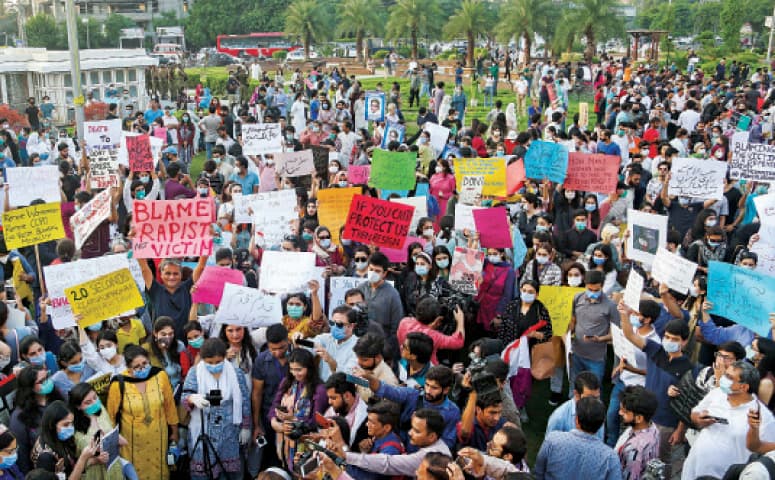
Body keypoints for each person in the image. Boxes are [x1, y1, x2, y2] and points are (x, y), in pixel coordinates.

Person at [683, 361, 775, 479]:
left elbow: (766, 452)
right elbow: (695, 412)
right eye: (725, 374)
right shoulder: (717, 393)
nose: (723, 378)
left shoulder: (763, 418)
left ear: (744, 387)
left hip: (723, 475)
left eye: (729, 377)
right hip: (694, 467)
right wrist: (698, 419)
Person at [106, 345, 179, 480]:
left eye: (145, 363)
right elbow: (110, 416)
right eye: (137, 366)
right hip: (132, 443)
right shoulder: (119, 383)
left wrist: (174, 434)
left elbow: (170, 407)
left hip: (159, 440)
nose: (142, 368)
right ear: (128, 368)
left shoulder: (159, 376)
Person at [182, 338, 250, 480]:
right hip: (203, 430)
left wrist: (246, 426)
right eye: (210, 363)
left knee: (228, 473)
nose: (214, 365)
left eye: (218, 362)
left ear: (224, 357)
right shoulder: (194, 373)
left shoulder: (236, 373)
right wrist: (192, 399)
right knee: (203, 469)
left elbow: (244, 400)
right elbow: (185, 396)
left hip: (229, 431)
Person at [357, 365, 460, 451]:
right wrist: (369, 378)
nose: (428, 391)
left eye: (434, 388)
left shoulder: (452, 412)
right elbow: (387, 390)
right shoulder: (412, 395)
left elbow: (447, 444)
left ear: (446, 390)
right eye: (427, 385)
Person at [330, 408, 451, 477]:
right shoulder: (376, 441)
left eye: (416, 431)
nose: (409, 433)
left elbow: (388, 463)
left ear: (432, 437)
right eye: (411, 428)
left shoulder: (429, 457)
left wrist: (345, 455)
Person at [534, 397, 622, 480]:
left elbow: (538, 471)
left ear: (576, 419)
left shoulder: (553, 440)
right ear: (602, 423)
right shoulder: (610, 458)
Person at [268, 348, 327, 470]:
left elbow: (316, 421)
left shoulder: (319, 390)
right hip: (284, 439)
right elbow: (274, 405)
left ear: (309, 368)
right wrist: (275, 423)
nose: (295, 373)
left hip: (305, 442)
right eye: (292, 369)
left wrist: (293, 418)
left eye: (299, 370)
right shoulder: (287, 383)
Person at [68, 382, 131, 480]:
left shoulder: (101, 410)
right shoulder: (75, 430)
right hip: (95, 474)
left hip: (113, 468)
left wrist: (115, 438)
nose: (94, 403)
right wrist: (95, 460)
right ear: (78, 406)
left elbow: (111, 430)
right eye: (88, 402)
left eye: (95, 397)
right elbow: (76, 464)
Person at [30, 400, 105, 480]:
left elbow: (71, 466)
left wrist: (94, 460)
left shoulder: (60, 438)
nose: (70, 428)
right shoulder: (45, 457)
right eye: (66, 424)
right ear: (52, 425)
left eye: (72, 423)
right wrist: (83, 458)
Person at [568, 270, 618, 387]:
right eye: (590, 289)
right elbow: (573, 320)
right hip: (576, 353)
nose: (593, 293)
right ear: (585, 285)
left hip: (596, 358)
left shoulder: (610, 305)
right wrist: (569, 335)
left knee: (593, 390)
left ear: (602, 286)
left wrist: (600, 339)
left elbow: (616, 333)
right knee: (574, 386)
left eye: (596, 290)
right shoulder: (577, 298)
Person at [9, 366, 63, 474]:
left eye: (47, 377)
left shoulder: (57, 397)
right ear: (29, 387)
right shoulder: (19, 418)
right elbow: (22, 456)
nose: (47, 382)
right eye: (41, 381)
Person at [396, 296, 465, 366]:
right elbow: (458, 342)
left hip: (404, 362)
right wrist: (460, 320)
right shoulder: (432, 336)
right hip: (427, 370)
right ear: (437, 320)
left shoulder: (404, 322)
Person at [614, 385, 660, 480]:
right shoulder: (653, 428)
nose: (620, 413)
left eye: (625, 411)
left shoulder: (634, 449)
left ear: (639, 418)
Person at [546, 371, 604, 440]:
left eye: (597, 397)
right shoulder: (559, 417)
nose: (594, 402)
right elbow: (550, 444)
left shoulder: (599, 409)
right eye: (589, 398)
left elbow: (600, 439)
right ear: (576, 394)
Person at [307, 305, 359, 381]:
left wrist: (331, 361)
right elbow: (308, 347)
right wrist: (299, 340)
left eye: (339, 324)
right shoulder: (326, 338)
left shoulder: (358, 346)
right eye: (332, 323)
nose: (334, 327)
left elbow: (349, 377)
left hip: (342, 389)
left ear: (352, 326)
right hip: (321, 387)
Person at [323, 372, 369, 449]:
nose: (329, 402)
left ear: (347, 396)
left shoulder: (365, 420)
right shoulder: (335, 409)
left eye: (333, 398)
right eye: (329, 398)